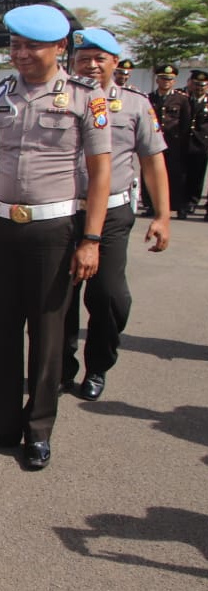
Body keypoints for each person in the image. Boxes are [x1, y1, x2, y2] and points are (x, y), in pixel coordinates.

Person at [0, 4, 111, 470]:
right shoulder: (0, 94)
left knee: (47, 333)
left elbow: (100, 172)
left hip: (55, 230)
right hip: (2, 226)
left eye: (31, 46)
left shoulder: (87, 97)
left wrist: (92, 239)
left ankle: (38, 430)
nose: (20, 54)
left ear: (60, 48)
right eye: (15, 45)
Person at [62, 29, 170, 401]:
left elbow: (153, 162)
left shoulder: (136, 104)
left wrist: (162, 215)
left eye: (100, 58)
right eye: (84, 57)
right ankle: (61, 367)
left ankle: (98, 366)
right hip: (63, 211)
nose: (91, 65)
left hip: (111, 213)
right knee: (58, 298)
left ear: (114, 61)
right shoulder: (61, 98)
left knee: (108, 296)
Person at [145, 64, 190, 218]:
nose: (166, 82)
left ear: (174, 82)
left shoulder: (181, 100)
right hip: (153, 142)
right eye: (163, 78)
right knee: (151, 173)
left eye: (169, 79)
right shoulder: (149, 98)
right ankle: (151, 205)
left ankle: (178, 206)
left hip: (174, 143)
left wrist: (182, 144)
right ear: (157, 79)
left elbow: (186, 122)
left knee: (176, 175)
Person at [186, 69, 208, 218]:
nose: (199, 88)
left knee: (198, 175)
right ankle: (183, 202)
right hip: (185, 143)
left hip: (202, 144)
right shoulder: (184, 98)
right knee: (184, 175)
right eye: (196, 84)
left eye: (202, 85)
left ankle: (193, 201)